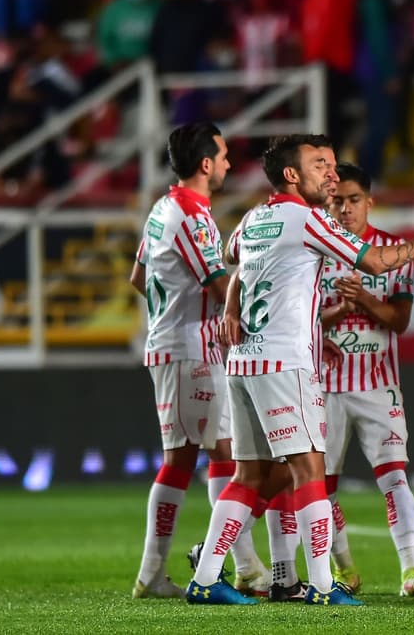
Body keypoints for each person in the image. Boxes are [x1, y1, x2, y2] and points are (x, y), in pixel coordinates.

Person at [187, 134, 414, 606]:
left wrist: (236, 309)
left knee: (249, 476)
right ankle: (320, 586)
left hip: (245, 361)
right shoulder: (309, 219)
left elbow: (236, 260)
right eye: (320, 165)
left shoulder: (254, 218)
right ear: (291, 174)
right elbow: (375, 260)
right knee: (309, 471)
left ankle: (207, 577)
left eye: (333, 165)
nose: (332, 175)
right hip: (285, 363)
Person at [128, 122, 236, 600]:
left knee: (186, 458)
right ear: (206, 164)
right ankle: (238, 567)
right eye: (224, 156)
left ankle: (154, 574)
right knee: (225, 454)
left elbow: (138, 277)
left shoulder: (161, 208)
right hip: (191, 351)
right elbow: (219, 285)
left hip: (173, 346)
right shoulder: (192, 215)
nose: (230, 163)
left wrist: (172, 310)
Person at [317, 163, 414, 597]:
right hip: (323, 387)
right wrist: (340, 311)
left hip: (378, 386)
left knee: (394, 476)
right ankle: (345, 569)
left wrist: (361, 298)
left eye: (353, 200)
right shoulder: (315, 251)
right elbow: (304, 322)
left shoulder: (392, 252)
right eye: (337, 201)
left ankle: (411, 570)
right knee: (321, 486)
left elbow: (399, 320)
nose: (345, 209)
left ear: (369, 202)